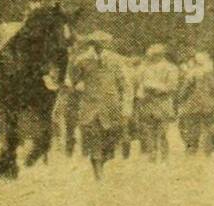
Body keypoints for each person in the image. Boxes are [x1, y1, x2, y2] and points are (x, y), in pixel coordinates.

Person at [71, 31, 132, 180]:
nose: (101, 45)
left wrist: (126, 109)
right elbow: (73, 80)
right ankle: (98, 174)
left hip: (111, 107)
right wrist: (77, 85)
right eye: (97, 42)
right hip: (90, 107)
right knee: (94, 140)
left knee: (110, 143)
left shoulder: (116, 60)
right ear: (92, 44)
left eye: (104, 42)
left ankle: (103, 160)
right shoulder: (82, 60)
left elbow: (125, 86)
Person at [135, 44, 180, 160]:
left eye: (154, 55)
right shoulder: (144, 68)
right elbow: (138, 84)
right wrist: (140, 94)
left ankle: (164, 156)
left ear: (160, 55)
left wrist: (155, 87)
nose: (151, 58)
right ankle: (152, 156)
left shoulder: (171, 68)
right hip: (147, 103)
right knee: (148, 132)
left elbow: (172, 87)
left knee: (162, 132)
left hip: (162, 103)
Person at [176, 51, 214, 155]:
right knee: (208, 127)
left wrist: (180, 99)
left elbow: (185, 89)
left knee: (192, 127)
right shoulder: (210, 72)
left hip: (194, 104)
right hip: (208, 104)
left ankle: (191, 149)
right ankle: (208, 150)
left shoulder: (192, 72)